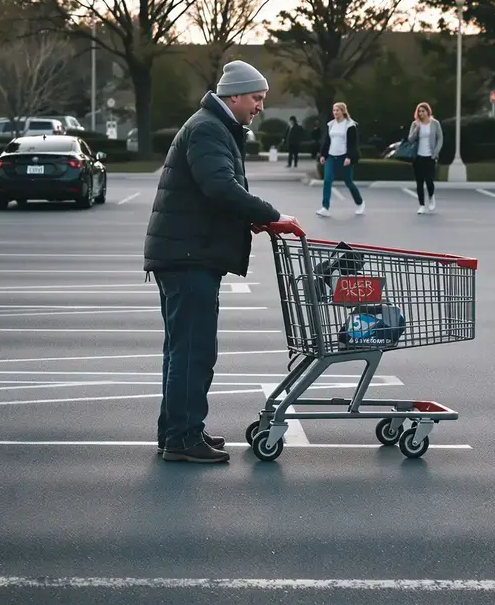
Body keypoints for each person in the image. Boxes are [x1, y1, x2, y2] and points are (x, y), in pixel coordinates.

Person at [144, 60, 299, 464]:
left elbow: (212, 192)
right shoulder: (209, 128)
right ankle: (180, 439)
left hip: (187, 253)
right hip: (188, 256)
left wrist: (252, 218)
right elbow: (219, 186)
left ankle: (179, 431)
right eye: (256, 98)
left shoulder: (212, 126)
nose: (260, 107)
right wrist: (269, 215)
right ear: (234, 96)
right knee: (194, 351)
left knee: (184, 350)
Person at [316, 102, 365, 217]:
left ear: (343, 111)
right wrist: (323, 155)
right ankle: (325, 207)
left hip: (344, 157)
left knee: (348, 182)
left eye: (337, 110)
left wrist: (349, 157)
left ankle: (360, 203)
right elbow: (327, 141)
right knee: (327, 180)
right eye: (334, 110)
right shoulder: (331, 124)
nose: (335, 113)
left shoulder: (350, 125)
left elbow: (353, 143)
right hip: (331, 157)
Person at [405, 102, 443, 214]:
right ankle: (421, 205)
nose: (421, 113)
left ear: (428, 111)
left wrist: (436, 152)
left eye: (423, 111)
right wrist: (416, 129)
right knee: (419, 182)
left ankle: (431, 197)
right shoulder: (415, 124)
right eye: (419, 111)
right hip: (418, 156)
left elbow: (440, 138)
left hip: (430, 156)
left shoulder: (435, 123)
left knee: (429, 180)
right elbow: (410, 139)